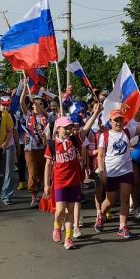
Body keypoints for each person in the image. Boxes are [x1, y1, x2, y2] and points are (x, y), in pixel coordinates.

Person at [44, 104, 101, 250]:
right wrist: (46, 184)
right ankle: (57, 226)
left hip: (74, 181)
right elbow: (48, 165)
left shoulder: (74, 140)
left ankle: (68, 239)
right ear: (58, 129)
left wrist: (95, 113)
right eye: (66, 128)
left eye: (70, 128)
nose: (69, 130)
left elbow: (86, 129)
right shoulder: (51, 145)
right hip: (59, 181)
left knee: (70, 210)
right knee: (60, 210)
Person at [95, 107, 140, 238]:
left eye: (120, 120)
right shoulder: (105, 135)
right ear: (110, 121)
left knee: (125, 199)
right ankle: (101, 215)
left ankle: (122, 226)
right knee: (110, 201)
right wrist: (102, 171)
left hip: (126, 170)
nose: (118, 122)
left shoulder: (127, 131)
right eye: (116, 120)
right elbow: (100, 155)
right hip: (112, 172)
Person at [20, 91, 49, 208]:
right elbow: (21, 102)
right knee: (32, 172)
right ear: (31, 105)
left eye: (41, 103)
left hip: (43, 147)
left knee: (42, 172)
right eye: (36, 103)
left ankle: (41, 194)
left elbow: (46, 116)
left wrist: (37, 105)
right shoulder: (28, 115)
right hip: (29, 148)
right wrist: (24, 91)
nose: (38, 105)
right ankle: (33, 196)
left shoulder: (46, 116)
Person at [0, 96, 18, 205]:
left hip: (9, 146)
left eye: (8, 105)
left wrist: (17, 147)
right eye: (4, 105)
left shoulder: (12, 116)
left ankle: (6, 195)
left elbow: (13, 132)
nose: (6, 107)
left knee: (8, 171)